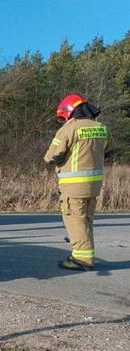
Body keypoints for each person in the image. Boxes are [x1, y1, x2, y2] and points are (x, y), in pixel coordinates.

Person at [44, 94, 108, 271]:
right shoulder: (101, 127)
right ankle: (84, 253)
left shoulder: (69, 129)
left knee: (75, 220)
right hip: (94, 185)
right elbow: (109, 151)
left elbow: (50, 157)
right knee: (86, 220)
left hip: (74, 186)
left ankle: (83, 259)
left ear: (69, 111)